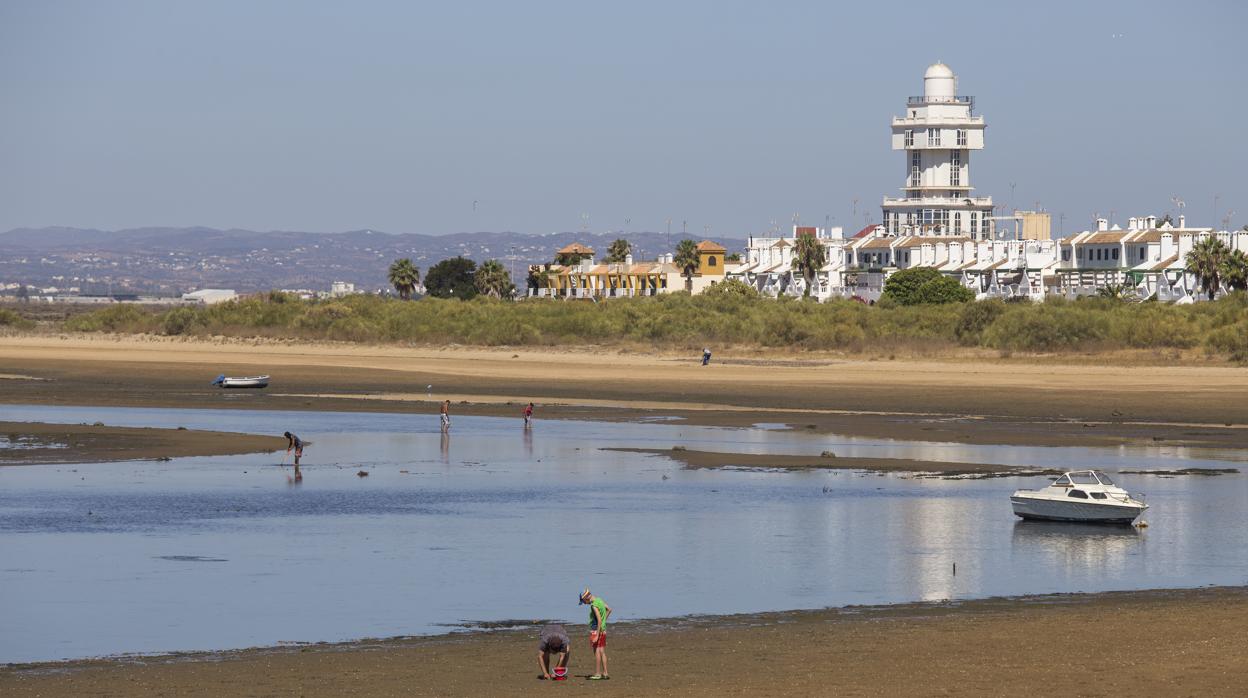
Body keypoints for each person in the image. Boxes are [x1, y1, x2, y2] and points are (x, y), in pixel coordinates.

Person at [579, 588, 611, 680]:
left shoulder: (593, 605)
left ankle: (597, 673)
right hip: (603, 629)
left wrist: (596, 635)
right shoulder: (599, 600)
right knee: (602, 651)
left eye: (584, 601)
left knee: (596, 651)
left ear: (586, 598)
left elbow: (599, 620)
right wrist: (604, 621)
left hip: (596, 630)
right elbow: (609, 609)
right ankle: (605, 673)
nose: (585, 603)